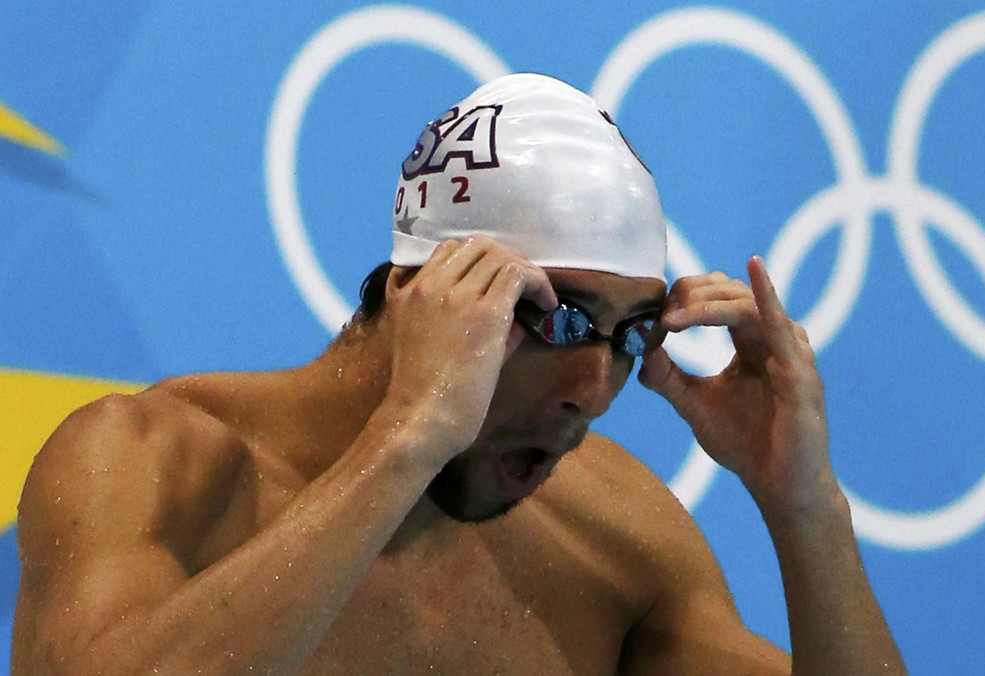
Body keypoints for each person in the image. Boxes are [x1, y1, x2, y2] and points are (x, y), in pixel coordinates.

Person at [11, 73, 905, 674]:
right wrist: (406, 440)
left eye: (627, 334)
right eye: (558, 319)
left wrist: (806, 508)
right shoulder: (151, 463)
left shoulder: (614, 540)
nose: (590, 392)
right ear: (416, 290)